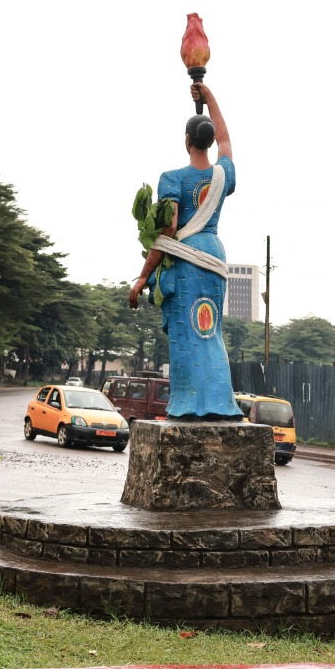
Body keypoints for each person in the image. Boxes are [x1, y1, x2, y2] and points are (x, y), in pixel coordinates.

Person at [128, 82, 241, 420]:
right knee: (209, 330)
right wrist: (210, 98)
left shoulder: (172, 178)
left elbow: (168, 232)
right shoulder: (224, 176)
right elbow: (226, 143)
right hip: (215, 256)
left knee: (185, 331)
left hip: (188, 259)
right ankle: (221, 405)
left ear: (187, 141)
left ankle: (189, 404)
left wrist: (144, 275)